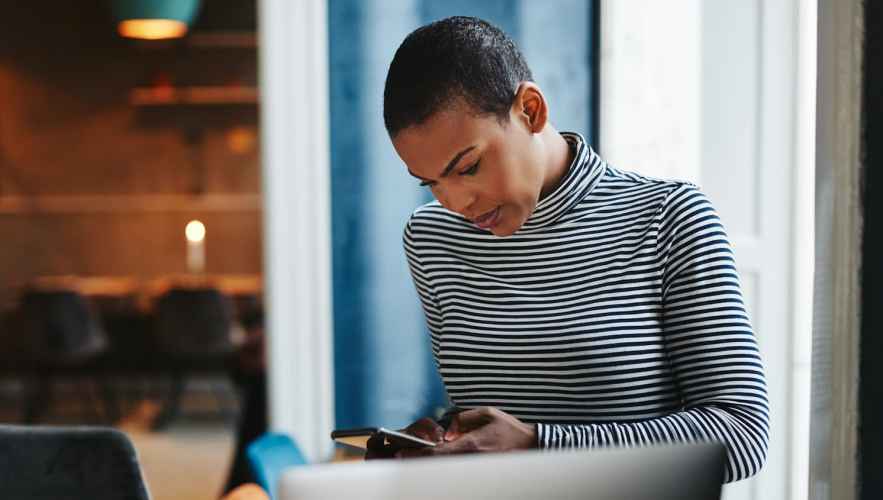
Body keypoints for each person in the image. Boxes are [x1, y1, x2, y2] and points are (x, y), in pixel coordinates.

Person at [368, 16, 769, 484]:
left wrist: (542, 444)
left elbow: (742, 434)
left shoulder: (669, 217)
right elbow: (495, 416)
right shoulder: (430, 238)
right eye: (430, 182)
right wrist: (440, 439)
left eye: (469, 167)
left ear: (531, 110)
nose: (456, 203)